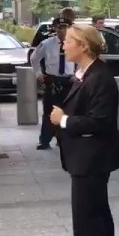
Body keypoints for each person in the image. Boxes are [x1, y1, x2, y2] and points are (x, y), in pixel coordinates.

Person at [48, 24, 119, 236]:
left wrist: (64, 120)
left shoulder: (100, 78)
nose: (63, 45)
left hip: (92, 158)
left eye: (68, 41)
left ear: (84, 45)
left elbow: (101, 121)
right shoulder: (83, 74)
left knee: (89, 217)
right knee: (95, 215)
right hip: (84, 157)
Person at [30, 17, 75, 150]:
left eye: (65, 27)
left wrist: (77, 75)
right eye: (60, 28)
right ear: (55, 29)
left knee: (68, 112)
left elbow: (81, 60)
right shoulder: (47, 44)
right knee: (49, 112)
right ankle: (44, 140)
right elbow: (34, 59)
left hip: (69, 81)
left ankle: (64, 140)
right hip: (52, 80)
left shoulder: (74, 43)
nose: (62, 31)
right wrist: (39, 75)